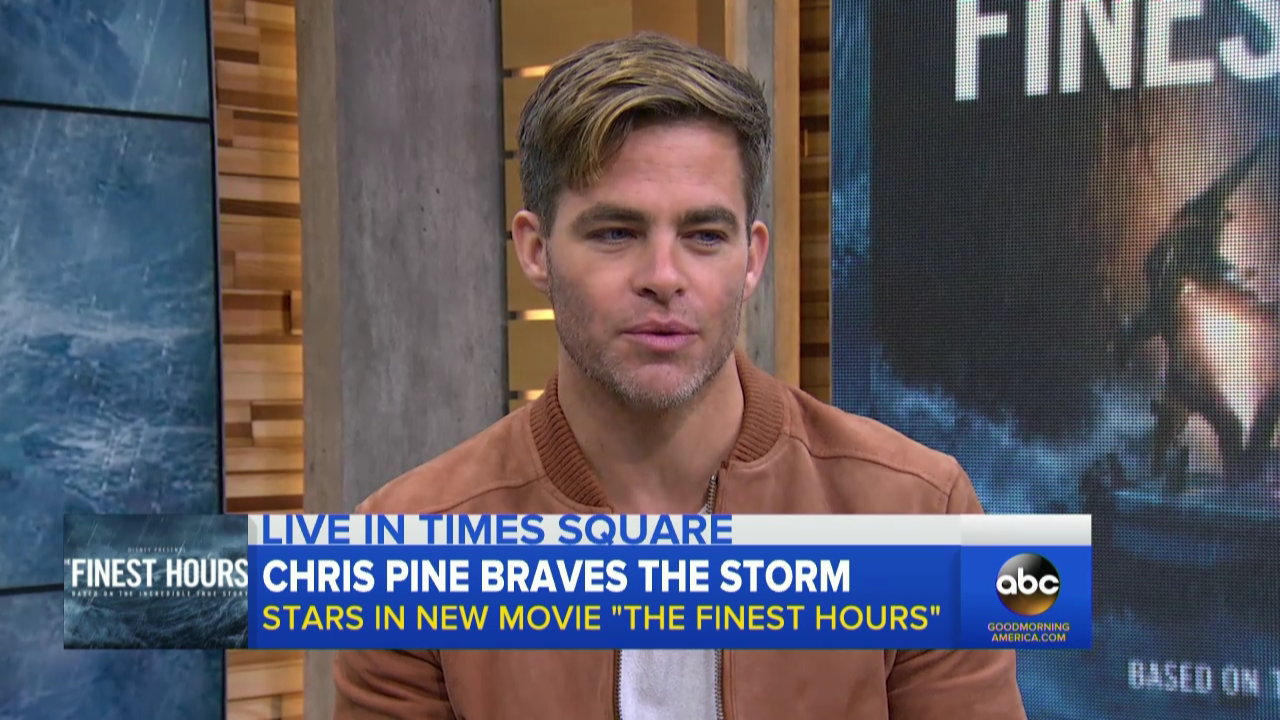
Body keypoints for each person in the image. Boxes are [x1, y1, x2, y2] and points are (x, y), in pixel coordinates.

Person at [334, 32, 1027, 719]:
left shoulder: (918, 513)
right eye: (616, 233)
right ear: (536, 250)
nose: (664, 277)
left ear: (752, 259)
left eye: (704, 236)